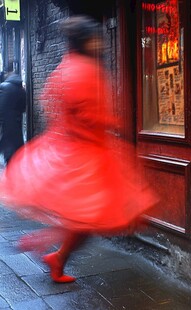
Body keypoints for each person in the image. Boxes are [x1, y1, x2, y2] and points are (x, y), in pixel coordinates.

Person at [0, 15, 158, 283]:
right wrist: (114, 121)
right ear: (86, 41)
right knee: (91, 216)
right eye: (96, 39)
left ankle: (54, 255)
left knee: (85, 217)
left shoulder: (64, 67)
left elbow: (49, 103)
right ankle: (49, 247)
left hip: (69, 150)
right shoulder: (85, 70)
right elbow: (90, 115)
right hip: (86, 154)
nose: (101, 44)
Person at [0, 62, 26, 165]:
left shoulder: (3, 87)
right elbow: (23, 108)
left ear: (7, 73)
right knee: (16, 156)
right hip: (17, 127)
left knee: (9, 156)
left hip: (6, 128)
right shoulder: (21, 88)